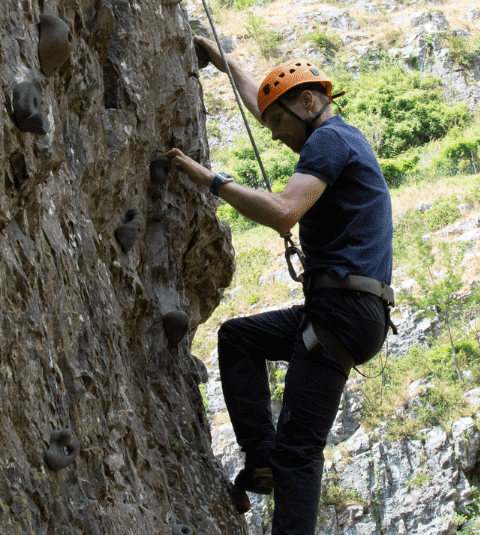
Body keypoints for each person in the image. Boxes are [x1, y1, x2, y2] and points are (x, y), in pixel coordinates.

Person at [163, 35, 394, 535]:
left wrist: (210, 179)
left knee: (300, 448)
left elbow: (284, 211)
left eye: (281, 125)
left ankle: (275, 463)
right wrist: (225, 63)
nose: (276, 136)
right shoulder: (332, 134)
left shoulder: (330, 140)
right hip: (345, 310)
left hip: (342, 313)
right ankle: (261, 460)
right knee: (238, 338)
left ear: (309, 103)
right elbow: (263, 101)